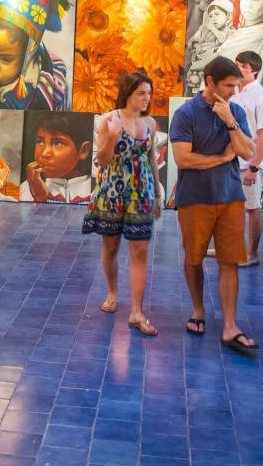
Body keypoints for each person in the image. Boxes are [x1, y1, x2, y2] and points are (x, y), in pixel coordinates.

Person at [170, 56, 258, 355]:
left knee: (230, 260)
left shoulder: (235, 112)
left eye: (236, 85)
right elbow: (183, 159)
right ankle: (198, 310)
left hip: (230, 196)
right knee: (194, 257)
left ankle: (230, 325)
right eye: (228, 85)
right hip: (194, 198)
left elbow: (247, 151)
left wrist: (230, 122)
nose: (234, 90)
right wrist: (220, 158)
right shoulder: (186, 114)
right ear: (209, 81)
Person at [82, 71, 163, 336]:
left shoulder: (150, 123)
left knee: (140, 251)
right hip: (112, 191)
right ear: (128, 92)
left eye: (149, 93)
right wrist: (113, 136)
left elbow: (152, 159)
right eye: (141, 93)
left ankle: (137, 312)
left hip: (141, 193)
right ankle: (113, 292)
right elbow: (102, 160)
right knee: (111, 247)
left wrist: (159, 196)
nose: (146, 98)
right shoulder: (109, 120)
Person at [232, 51, 263, 267]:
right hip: (231, 160)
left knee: (252, 206)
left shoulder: (262, 97)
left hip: (250, 162)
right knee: (232, 207)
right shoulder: (233, 93)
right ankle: (234, 247)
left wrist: (254, 167)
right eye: (237, 64)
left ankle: (252, 253)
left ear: (255, 70)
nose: (239, 69)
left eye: (243, 66)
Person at [19, 112, 93, 203]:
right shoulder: (27, 189)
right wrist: (41, 196)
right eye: (40, 142)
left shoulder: (96, 190)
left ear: (83, 150)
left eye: (58, 143)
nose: (44, 153)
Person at [186, 0, 234, 91]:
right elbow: (192, 41)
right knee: (196, 84)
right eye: (211, 16)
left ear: (228, 16)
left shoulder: (230, 32)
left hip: (216, 65)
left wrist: (213, 29)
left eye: (217, 14)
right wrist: (196, 45)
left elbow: (222, 40)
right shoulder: (204, 29)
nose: (213, 18)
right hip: (200, 59)